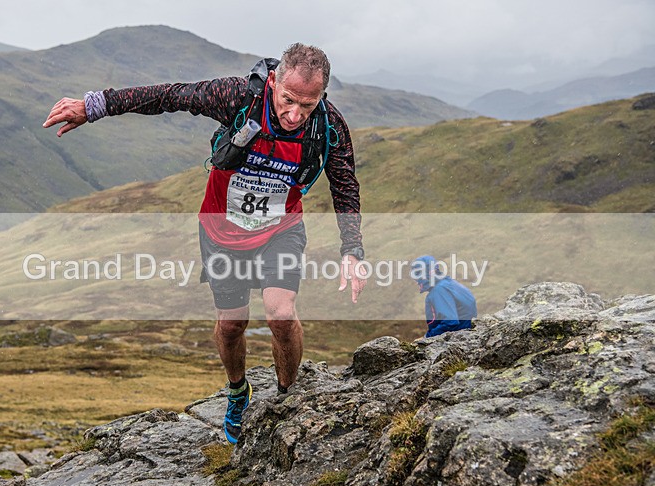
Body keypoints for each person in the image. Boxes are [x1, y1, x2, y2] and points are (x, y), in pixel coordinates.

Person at [44, 43, 366, 444]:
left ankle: (287, 397)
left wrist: (352, 249)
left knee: (280, 313)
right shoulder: (238, 97)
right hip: (221, 232)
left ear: (321, 96)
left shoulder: (329, 126)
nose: (295, 114)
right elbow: (170, 95)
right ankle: (237, 390)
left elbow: (344, 182)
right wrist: (95, 106)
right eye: (287, 100)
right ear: (273, 82)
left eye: (308, 104)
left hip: (280, 229)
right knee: (232, 324)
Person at [411, 255, 477, 338]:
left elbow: (450, 322)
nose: (417, 282)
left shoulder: (439, 290)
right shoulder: (450, 284)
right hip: (467, 335)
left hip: (456, 338)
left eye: (417, 277)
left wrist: (427, 338)